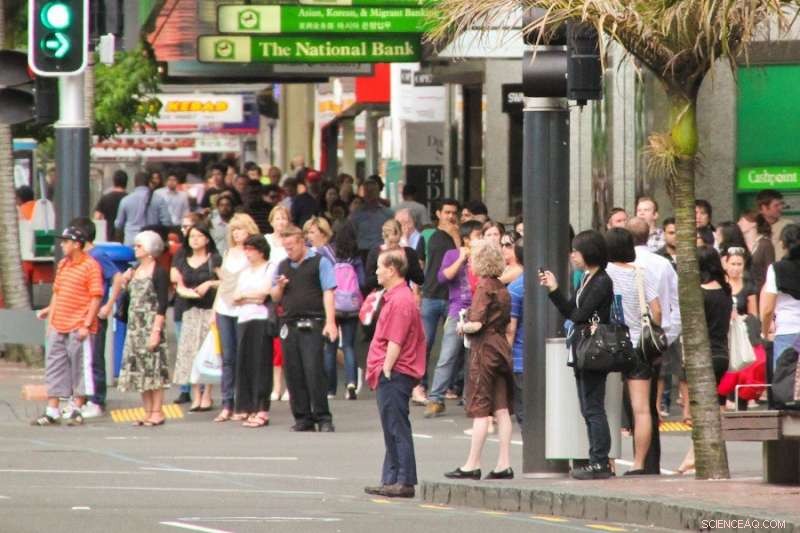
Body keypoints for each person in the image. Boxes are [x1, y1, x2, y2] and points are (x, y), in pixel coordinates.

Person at [539, 230, 615, 480]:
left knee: (593, 407)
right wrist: (554, 289)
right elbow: (571, 311)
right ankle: (596, 460)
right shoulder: (587, 278)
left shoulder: (601, 281)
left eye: (576, 251)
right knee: (588, 407)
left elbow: (579, 315)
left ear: (589, 253)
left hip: (594, 350)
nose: (572, 255)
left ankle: (600, 462)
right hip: (583, 348)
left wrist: (558, 294)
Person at [445, 240, 515, 481]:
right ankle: (504, 464)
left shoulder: (484, 288)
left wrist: (462, 326)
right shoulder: (502, 288)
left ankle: (472, 464)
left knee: (481, 409)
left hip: (484, 350)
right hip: (501, 348)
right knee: (502, 409)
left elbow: (476, 323)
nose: (470, 263)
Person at [363, 250, 427, 498]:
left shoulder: (400, 300)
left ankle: (404, 479)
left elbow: (395, 340)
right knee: (391, 426)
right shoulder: (398, 297)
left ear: (391, 270)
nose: (376, 271)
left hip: (395, 371)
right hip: (393, 371)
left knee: (396, 426)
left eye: (380, 267)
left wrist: (386, 368)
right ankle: (391, 478)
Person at [32, 226, 104, 426]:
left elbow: (96, 297)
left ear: (77, 244)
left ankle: (76, 409)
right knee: (54, 367)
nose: (62, 245)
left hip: (78, 325)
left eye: (66, 241)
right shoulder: (63, 264)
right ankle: (52, 410)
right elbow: (58, 293)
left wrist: (86, 324)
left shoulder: (91, 266)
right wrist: (50, 316)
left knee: (80, 368)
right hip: (59, 324)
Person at [605, 228, 662, 476]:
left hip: (609, 346)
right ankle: (639, 463)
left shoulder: (603, 273)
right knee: (642, 409)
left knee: (608, 406)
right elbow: (656, 310)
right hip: (638, 346)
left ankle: (608, 462)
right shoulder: (641, 273)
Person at [271, 226, 339, 432]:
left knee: (314, 370)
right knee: (293, 372)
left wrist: (330, 322)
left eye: (291, 246)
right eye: (286, 247)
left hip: (313, 321)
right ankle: (302, 417)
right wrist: (280, 286)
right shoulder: (283, 265)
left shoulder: (320, 262)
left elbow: (328, 292)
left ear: (302, 242)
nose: (289, 251)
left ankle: (323, 417)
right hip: (289, 323)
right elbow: (274, 296)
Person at [677, 246, 733, 474]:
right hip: (722, 353)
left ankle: (693, 457)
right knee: (716, 408)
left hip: (703, 357)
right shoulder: (725, 291)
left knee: (701, 411)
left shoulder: (698, 294)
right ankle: (704, 456)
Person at [628, 219, 678, 473]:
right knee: (648, 406)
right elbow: (675, 304)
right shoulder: (663, 264)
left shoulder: (620, 266)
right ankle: (649, 463)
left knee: (635, 407)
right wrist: (667, 335)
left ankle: (637, 461)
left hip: (628, 341)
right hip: (656, 339)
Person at [424, 220, 484, 418]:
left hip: (480, 311)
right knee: (448, 355)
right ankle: (436, 398)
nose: (481, 239)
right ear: (466, 239)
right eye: (477, 236)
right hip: (458, 311)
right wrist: (461, 259)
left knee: (473, 359)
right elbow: (443, 277)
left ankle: (470, 399)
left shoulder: (484, 256)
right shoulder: (452, 254)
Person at [69, 217, 124, 419]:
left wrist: (109, 305)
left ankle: (97, 400)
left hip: (96, 314)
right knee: (82, 357)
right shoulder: (79, 257)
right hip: (80, 314)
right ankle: (82, 398)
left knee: (95, 357)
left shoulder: (97, 255)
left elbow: (116, 277)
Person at [212, 214, 261, 423]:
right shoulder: (227, 252)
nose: (236, 233)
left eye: (240, 229)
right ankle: (227, 403)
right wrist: (213, 310)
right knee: (228, 358)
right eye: (233, 230)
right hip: (224, 307)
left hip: (244, 308)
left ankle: (245, 403)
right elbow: (223, 283)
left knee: (244, 357)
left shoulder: (253, 254)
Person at [172, 224, 221, 412]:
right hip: (188, 310)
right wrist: (186, 291)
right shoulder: (182, 258)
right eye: (192, 236)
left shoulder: (214, 258)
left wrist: (209, 283)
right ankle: (195, 395)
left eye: (199, 236)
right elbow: (176, 281)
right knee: (189, 352)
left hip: (209, 309)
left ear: (207, 239)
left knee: (207, 352)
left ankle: (207, 393)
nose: (195, 239)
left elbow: (225, 281)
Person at [417, 198, 460, 404]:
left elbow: (464, 259)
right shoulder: (427, 235)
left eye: (453, 213)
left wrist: (456, 236)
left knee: (451, 347)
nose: (450, 216)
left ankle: (448, 387)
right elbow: (419, 264)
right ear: (438, 214)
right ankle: (420, 386)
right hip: (430, 295)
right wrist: (417, 291)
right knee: (425, 344)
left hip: (452, 297)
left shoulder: (458, 235)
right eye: (447, 212)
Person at [233, 234, 275, 428]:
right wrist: (248, 297)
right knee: (245, 363)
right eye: (246, 249)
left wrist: (246, 296)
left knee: (261, 363)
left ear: (261, 251)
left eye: (251, 249)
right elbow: (235, 297)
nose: (248, 253)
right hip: (244, 318)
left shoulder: (270, 267)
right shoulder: (244, 272)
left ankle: (261, 407)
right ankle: (248, 405)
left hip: (261, 318)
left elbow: (263, 294)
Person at [329, 222, 366, 400]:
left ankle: (330, 389)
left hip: (334, 304)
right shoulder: (356, 257)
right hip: (351, 305)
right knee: (349, 345)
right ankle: (351, 382)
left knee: (330, 346)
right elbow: (363, 282)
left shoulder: (330, 254)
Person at [760, 224, 800, 369]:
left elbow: (768, 309)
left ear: (783, 244)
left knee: (784, 378)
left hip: (786, 331)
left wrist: (764, 332)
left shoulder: (776, 269)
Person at [266, 204, 291, 402]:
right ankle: (275, 387)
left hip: (289, 294)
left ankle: (290, 387)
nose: (281, 222)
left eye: (284, 218)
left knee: (288, 343)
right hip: (269, 296)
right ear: (271, 221)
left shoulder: (293, 241)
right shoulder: (266, 241)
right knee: (274, 344)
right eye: (277, 218)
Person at [364, 219, 425, 294]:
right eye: (390, 242)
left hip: (402, 294)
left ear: (401, 236)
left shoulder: (409, 253)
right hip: (382, 295)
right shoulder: (375, 253)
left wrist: (406, 262)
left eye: (396, 242)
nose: (393, 246)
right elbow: (368, 281)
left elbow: (420, 279)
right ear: (384, 237)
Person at [115, 171, 171, 246]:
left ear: (135, 183)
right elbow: (167, 222)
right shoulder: (159, 199)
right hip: (152, 243)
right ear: (149, 182)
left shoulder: (125, 200)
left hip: (131, 242)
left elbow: (118, 225)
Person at [505, 238, 526, 425]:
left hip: (521, 358)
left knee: (524, 413)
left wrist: (505, 358)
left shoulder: (515, 288)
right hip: (550, 357)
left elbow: (510, 329)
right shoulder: (552, 282)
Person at [351, 175, 394, 261]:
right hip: (363, 252)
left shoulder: (388, 213)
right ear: (364, 194)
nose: (370, 194)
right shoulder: (357, 214)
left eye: (372, 191)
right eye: (367, 191)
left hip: (381, 251)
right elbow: (354, 231)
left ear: (378, 192)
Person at [756, 189, 793, 260]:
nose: (780, 208)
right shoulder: (752, 228)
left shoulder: (788, 225)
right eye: (776, 205)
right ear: (764, 208)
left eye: (781, 204)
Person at [94, 170, 128, 241]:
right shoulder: (129, 198)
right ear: (126, 182)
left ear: (114, 182)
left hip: (110, 235)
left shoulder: (105, 198)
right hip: (125, 236)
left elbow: (97, 217)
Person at [750, 214, 775, 293]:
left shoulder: (766, 244)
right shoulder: (753, 243)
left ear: (755, 227)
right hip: (751, 288)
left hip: (760, 289)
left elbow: (770, 269)